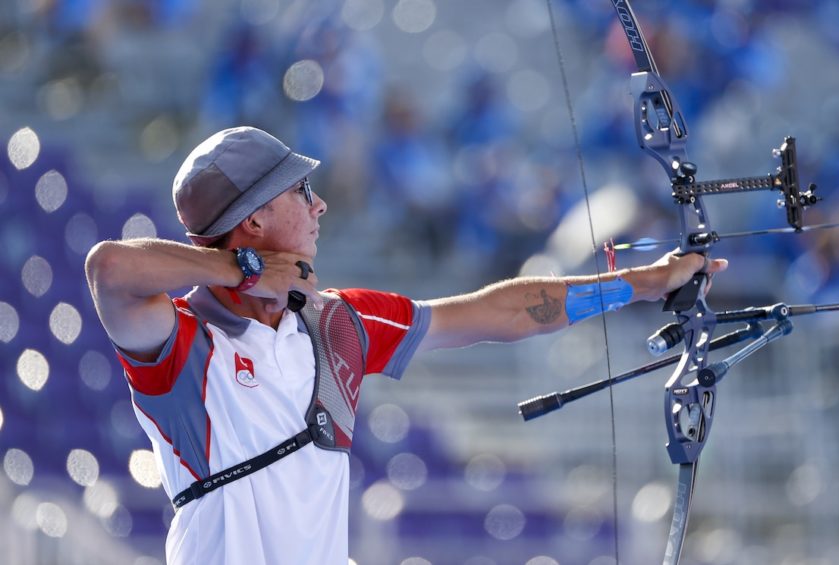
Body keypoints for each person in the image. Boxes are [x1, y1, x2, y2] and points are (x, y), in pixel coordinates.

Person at [84, 127, 728, 564]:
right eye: (301, 192)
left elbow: (498, 312)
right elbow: (109, 267)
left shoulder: (338, 323)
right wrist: (246, 271)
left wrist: (642, 284)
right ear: (253, 219)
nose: (320, 204)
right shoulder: (182, 343)